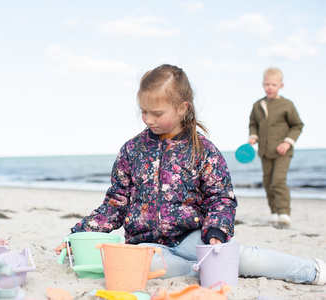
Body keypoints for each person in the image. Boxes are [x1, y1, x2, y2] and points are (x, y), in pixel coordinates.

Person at [54, 64, 324, 285]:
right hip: (148, 246)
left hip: (196, 237)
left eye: (157, 113)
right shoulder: (131, 150)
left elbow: (221, 198)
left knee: (246, 258)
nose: (148, 119)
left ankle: (313, 270)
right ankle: (198, 271)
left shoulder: (203, 149)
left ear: (182, 107)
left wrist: (216, 229)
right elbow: (115, 204)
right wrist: (78, 235)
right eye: (144, 111)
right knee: (132, 269)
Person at [248, 68, 304, 226]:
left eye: (274, 84)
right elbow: (253, 124)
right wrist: (253, 137)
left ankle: (284, 213)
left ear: (281, 85)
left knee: (278, 181)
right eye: (267, 84)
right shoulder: (258, 105)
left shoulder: (287, 105)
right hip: (265, 152)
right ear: (263, 84)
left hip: (282, 152)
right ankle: (274, 211)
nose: (270, 87)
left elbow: (298, 125)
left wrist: (287, 142)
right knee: (267, 182)